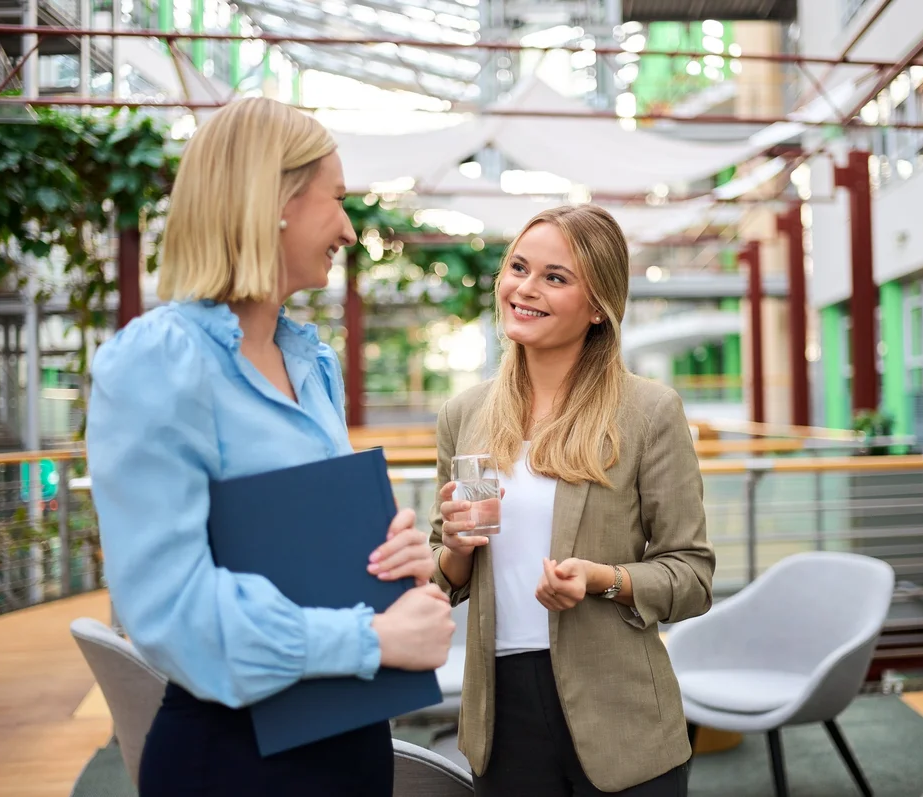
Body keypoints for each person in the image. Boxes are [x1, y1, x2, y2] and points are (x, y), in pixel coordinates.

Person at [86, 97, 454, 797]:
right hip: (236, 759)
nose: (348, 228)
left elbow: (308, 540)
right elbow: (169, 609)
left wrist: (388, 557)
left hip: (350, 735)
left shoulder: (310, 361)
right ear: (277, 199)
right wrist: (371, 638)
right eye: (337, 199)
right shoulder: (160, 364)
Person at [429, 204, 716, 796]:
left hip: (621, 711)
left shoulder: (647, 412)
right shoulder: (466, 416)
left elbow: (692, 576)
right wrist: (455, 547)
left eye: (555, 278)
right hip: (501, 713)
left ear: (596, 306)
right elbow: (447, 575)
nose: (524, 289)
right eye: (518, 268)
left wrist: (604, 579)